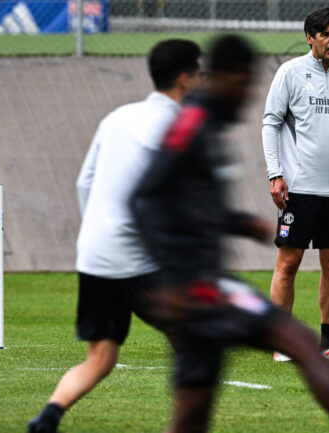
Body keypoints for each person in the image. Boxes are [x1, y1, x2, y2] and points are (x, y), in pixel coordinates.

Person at [129, 34, 329, 433]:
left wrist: (237, 223)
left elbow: (189, 198)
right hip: (193, 287)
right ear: (226, 77)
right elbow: (144, 195)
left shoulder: (208, 122)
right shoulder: (192, 124)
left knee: (192, 411)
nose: (248, 93)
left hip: (198, 284)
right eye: (245, 82)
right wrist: (167, 277)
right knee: (301, 344)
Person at [27, 39, 203, 433]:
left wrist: (100, 231)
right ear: (184, 79)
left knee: (101, 357)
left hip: (95, 252)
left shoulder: (116, 118)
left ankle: (48, 417)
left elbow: (84, 182)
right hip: (139, 258)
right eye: (200, 72)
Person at [262, 7, 329, 362]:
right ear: (310, 37)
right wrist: (274, 173)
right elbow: (270, 122)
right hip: (298, 188)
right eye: (325, 34)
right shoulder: (290, 73)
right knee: (289, 262)